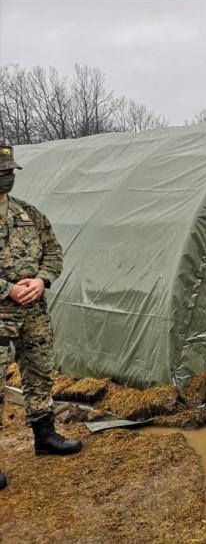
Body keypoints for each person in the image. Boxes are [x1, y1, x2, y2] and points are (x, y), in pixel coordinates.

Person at [0, 145, 82, 490]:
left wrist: (41, 279)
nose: (7, 177)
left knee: (39, 374)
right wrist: (7, 288)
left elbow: (53, 251)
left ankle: (45, 436)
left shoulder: (29, 215)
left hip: (33, 314)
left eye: (9, 171)